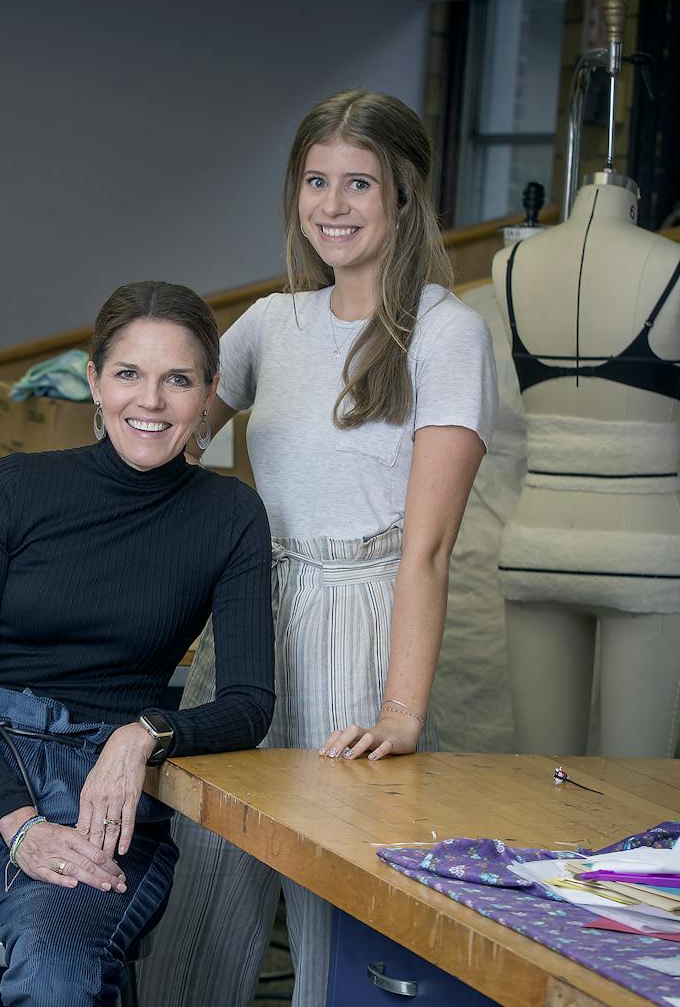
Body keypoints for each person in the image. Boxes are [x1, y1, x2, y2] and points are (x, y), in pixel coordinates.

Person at [141, 89, 495, 1007]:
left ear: (405, 196)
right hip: (255, 610)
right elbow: (164, 444)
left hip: (368, 614)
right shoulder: (268, 323)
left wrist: (403, 712)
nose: (332, 204)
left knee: (339, 904)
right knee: (203, 884)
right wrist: (135, 387)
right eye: (315, 180)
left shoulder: (448, 333)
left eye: (358, 183)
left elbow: (428, 548)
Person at [0, 281, 276, 1006]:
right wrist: (19, 822)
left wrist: (146, 733)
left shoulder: (230, 514)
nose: (152, 400)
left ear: (209, 392)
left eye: (178, 379)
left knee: (59, 983)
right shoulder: (12, 487)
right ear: (95, 381)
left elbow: (250, 704)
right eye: (130, 373)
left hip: (99, 789)